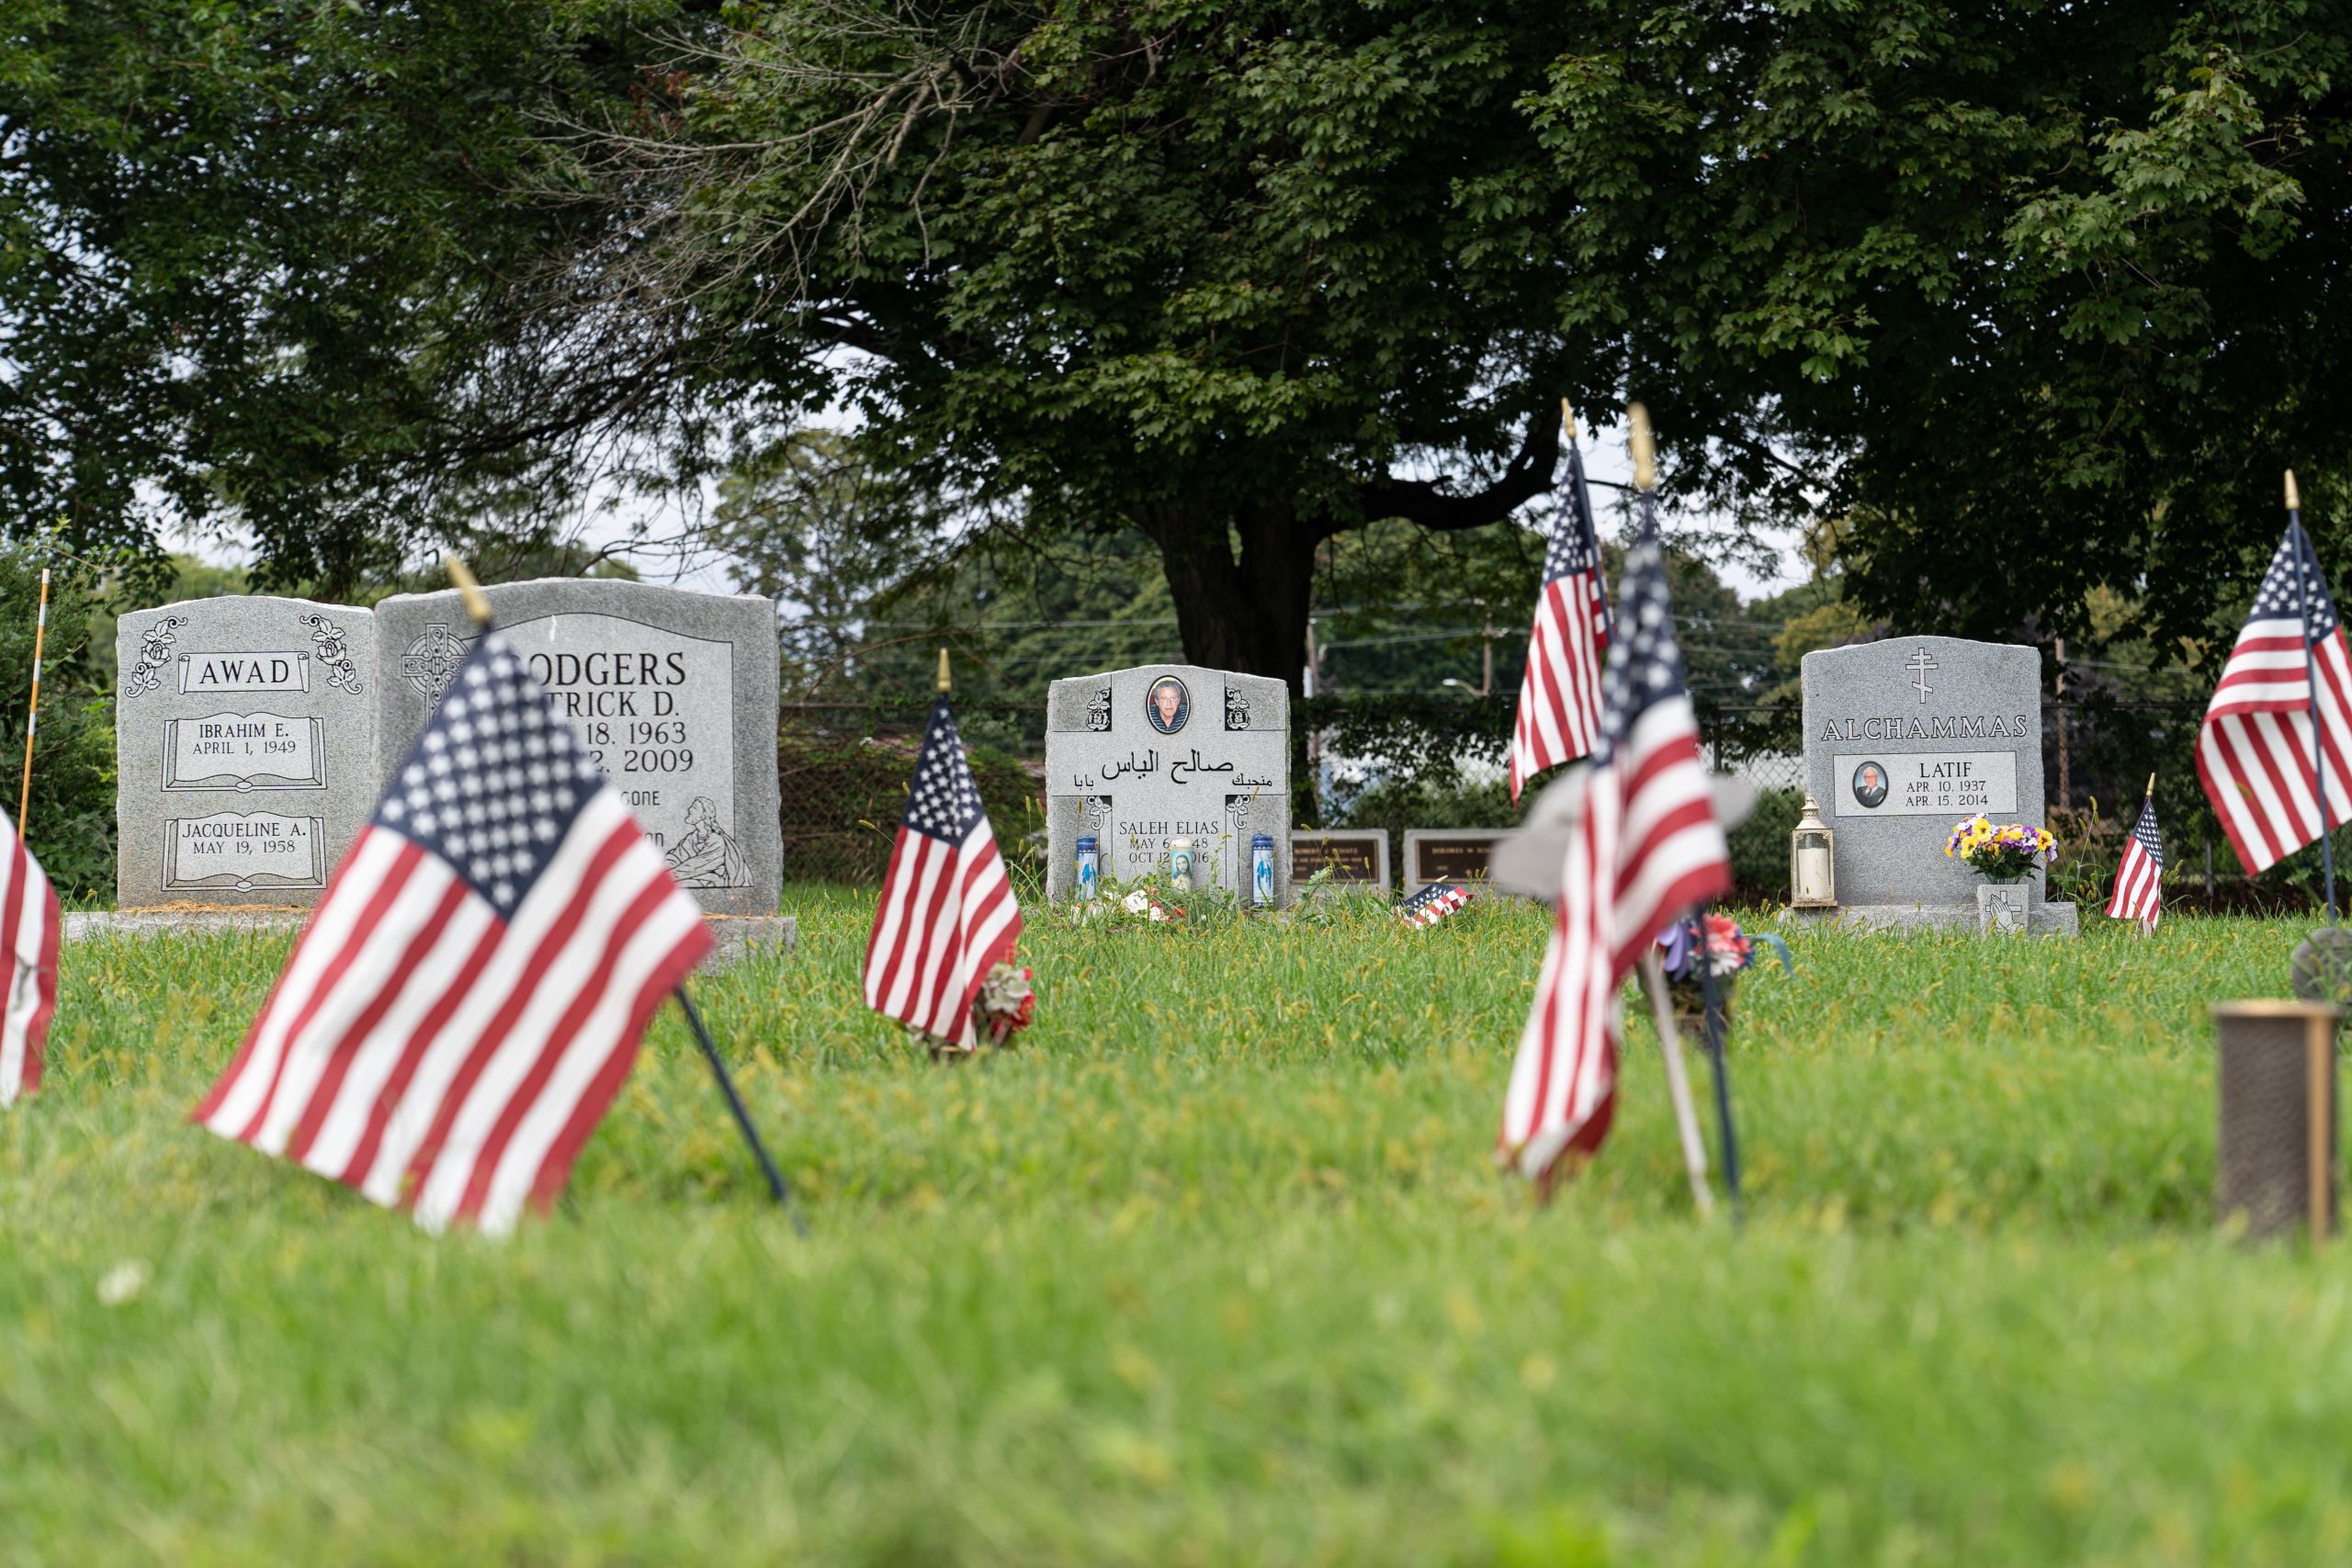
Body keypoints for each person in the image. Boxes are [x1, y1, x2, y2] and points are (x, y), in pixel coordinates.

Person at [665, 795, 747, 887]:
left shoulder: (717, 840)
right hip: (690, 876)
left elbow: (696, 866)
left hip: (709, 881)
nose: (690, 809)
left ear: (704, 815)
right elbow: (676, 857)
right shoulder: (691, 838)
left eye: (694, 808)